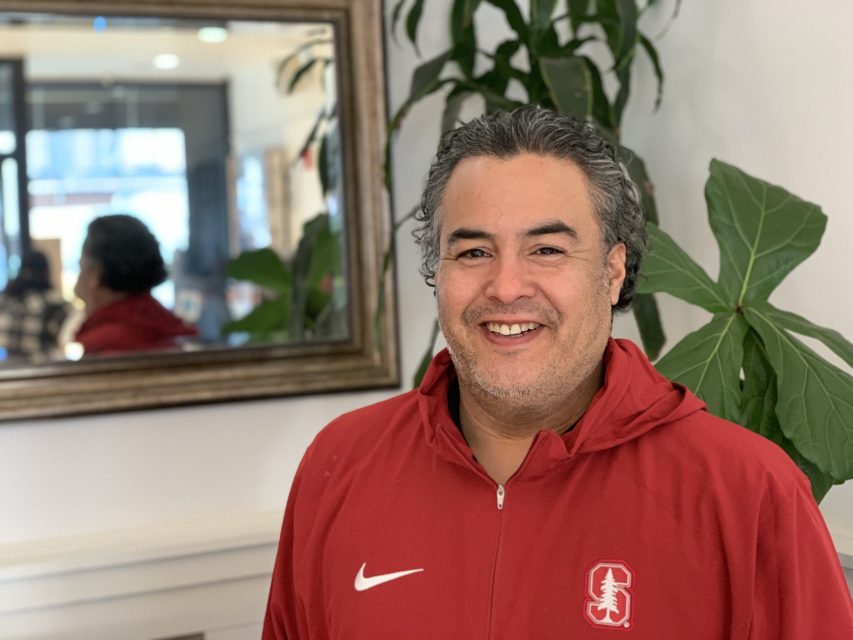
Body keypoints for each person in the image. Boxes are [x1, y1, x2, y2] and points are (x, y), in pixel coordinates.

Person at [263, 107, 853, 638]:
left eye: (546, 250)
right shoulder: (339, 464)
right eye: (473, 252)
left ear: (614, 270)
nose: (507, 287)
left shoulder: (747, 492)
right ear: (436, 273)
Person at [73, 214, 196, 355]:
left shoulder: (103, 348)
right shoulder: (175, 333)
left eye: (81, 269)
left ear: (95, 274)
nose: (76, 290)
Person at [0, 250, 70, 363]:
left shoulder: (4, 301)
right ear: (46, 272)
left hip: (8, 372)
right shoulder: (56, 305)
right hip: (46, 372)